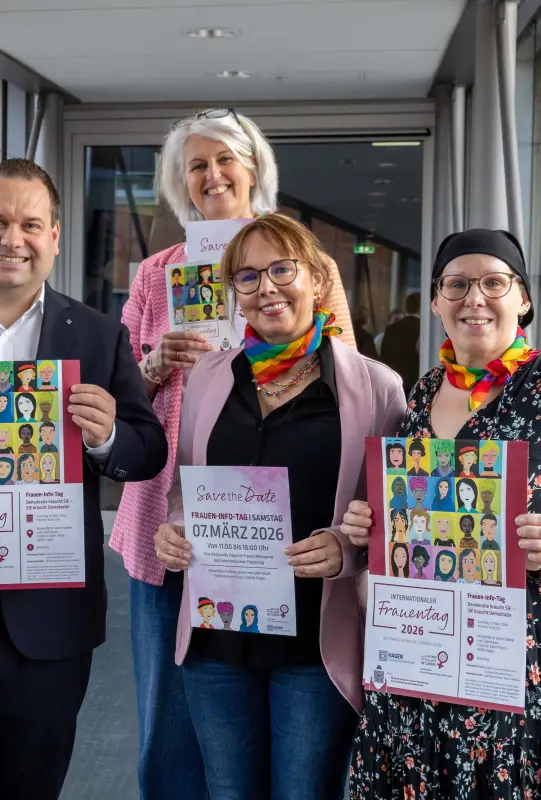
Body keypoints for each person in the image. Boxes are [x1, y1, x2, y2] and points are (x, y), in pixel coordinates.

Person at [342, 228, 541, 798]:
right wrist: (372, 526)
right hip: (424, 654)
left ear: (522, 299)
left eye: (494, 283)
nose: (475, 298)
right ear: (437, 301)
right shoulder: (422, 395)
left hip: (527, 667)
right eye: (457, 284)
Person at [109, 108, 356, 800]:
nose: (212, 175)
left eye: (225, 160)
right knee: (170, 728)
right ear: (181, 183)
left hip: (277, 522)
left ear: (254, 170)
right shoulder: (156, 274)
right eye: (196, 165)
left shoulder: (307, 265)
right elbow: (116, 390)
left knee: (281, 731)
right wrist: (154, 364)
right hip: (172, 526)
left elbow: (347, 378)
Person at [153, 214, 405, 799]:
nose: (266, 288)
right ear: (235, 294)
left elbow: (397, 518)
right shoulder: (208, 377)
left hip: (314, 645)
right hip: (217, 636)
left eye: (282, 270)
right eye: (247, 277)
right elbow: (185, 489)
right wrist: (175, 529)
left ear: (317, 279)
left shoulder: (377, 388)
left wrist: (347, 550)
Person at [0, 158, 167, 800]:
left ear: (54, 236)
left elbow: (147, 451)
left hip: (48, 616)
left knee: (33, 781)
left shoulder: (97, 335)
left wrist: (106, 437)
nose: (13, 239)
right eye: (0, 222)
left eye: (30, 224)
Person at [379, 292, 420, 396]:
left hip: (393, 382)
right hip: (415, 384)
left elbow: (383, 357)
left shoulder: (391, 329)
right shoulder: (423, 330)